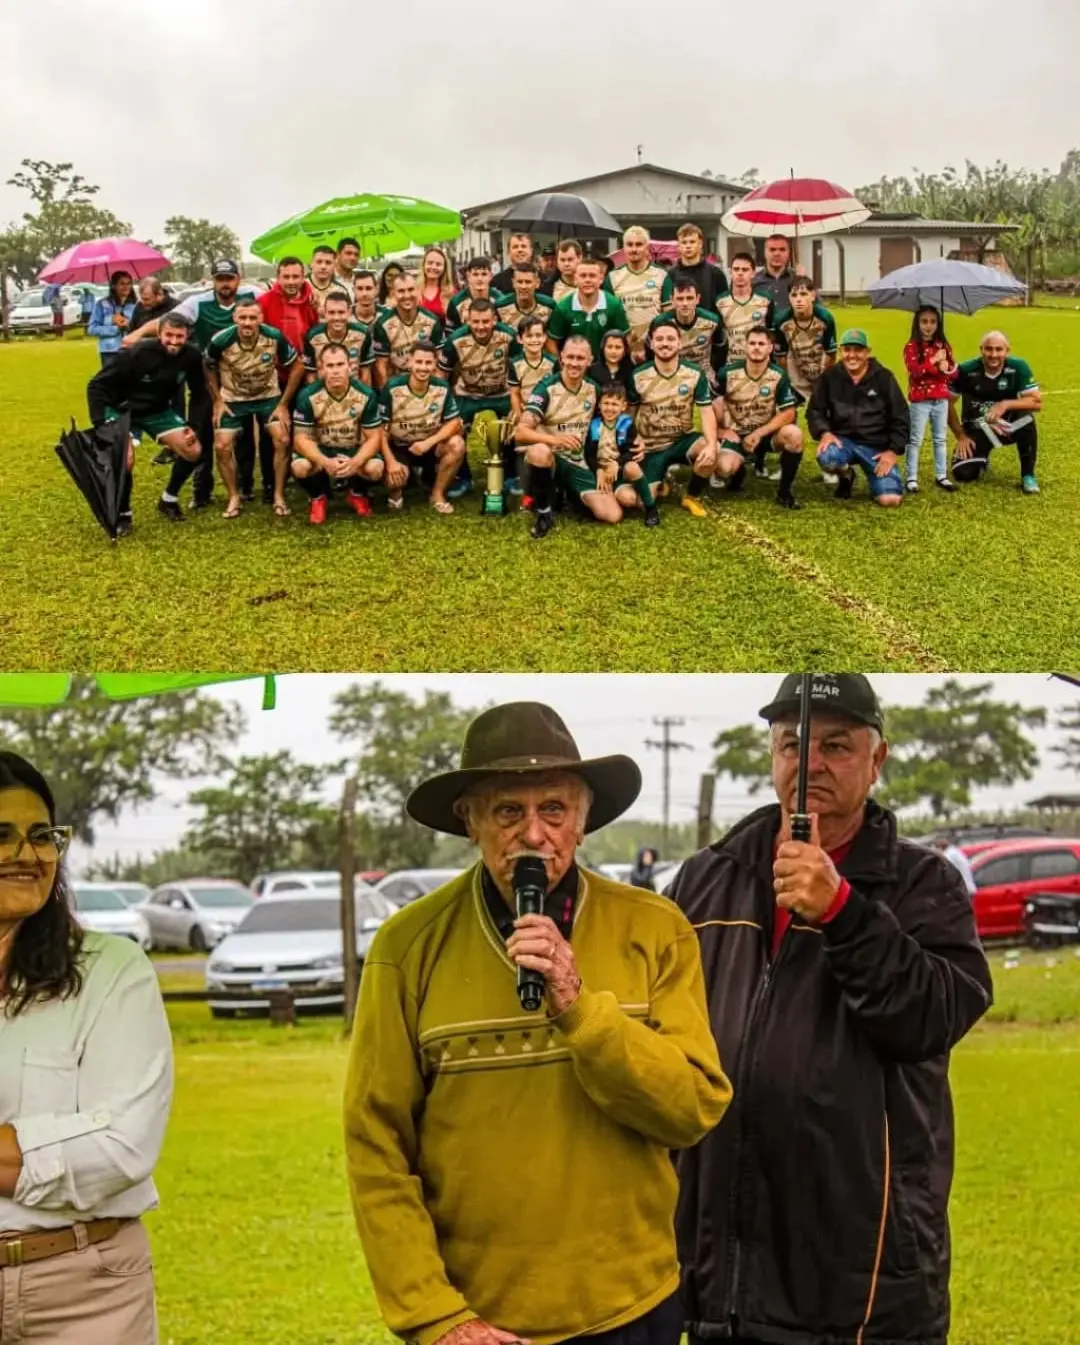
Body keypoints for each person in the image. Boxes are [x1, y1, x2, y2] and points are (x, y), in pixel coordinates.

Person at [344, 701, 731, 1345]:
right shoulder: (406, 947)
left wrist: (579, 1009)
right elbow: (376, 1146)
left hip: (632, 1308)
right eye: (507, 811)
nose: (532, 834)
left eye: (553, 809)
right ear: (470, 821)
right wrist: (438, 1317)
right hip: (477, 1321)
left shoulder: (655, 929)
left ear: (582, 821)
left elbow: (691, 1109)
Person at [672, 673, 992, 1345]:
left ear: (878, 760)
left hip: (862, 1285)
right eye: (793, 743)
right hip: (718, 1280)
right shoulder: (706, 878)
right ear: (772, 755)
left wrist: (844, 912)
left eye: (837, 745)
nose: (810, 762)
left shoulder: (924, 885)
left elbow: (930, 1016)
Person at [0, 751, 174, 1345]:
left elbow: (123, 1147)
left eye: (41, 835)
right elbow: (87, 1143)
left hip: (87, 1291)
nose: (27, 854)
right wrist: (54, 1135)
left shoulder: (111, 971)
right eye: (1, 834)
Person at [124, 258, 260, 509]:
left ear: (238, 279)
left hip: (242, 378)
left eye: (229, 278)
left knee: (243, 433)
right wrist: (139, 332)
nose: (225, 284)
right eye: (220, 279)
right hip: (206, 378)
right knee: (202, 431)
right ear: (213, 281)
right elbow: (168, 320)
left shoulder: (254, 294)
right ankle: (202, 490)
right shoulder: (198, 302)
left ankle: (246, 486)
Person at [86, 312, 209, 530]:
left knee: (194, 450)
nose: (173, 341)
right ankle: (124, 513)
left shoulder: (191, 356)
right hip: (121, 409)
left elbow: (199, 392)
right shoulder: (137, 353)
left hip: (157, 411)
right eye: (168, 335)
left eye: (179, 336)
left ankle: (168, 499)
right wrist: (100, 423)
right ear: (159, 333)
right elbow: (96, 386)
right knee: (125, 459)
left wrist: (194, 425)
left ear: (187, 335)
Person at [204, 296, 304, 520]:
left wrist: (284, 404)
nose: (247, 322)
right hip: (233, 398)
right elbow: (207, 366)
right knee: (221, 446)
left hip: (268, 396)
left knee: (282, 439)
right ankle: (234, 496)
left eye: (252, 317)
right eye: (242, 317)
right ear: (234, 318)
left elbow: (297, 366)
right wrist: (217, 401)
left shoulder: (274, 336)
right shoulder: (221, 340)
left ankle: (278, 494)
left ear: (260, 317)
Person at [626, 318, 718, 520]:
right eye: (659, 339)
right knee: (642, 502)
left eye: (670, 339)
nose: (665, 343)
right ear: (651, 343)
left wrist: (712, 444)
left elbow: (706, 411)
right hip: (651, 447)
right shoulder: (639, 375)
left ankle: (692, 496)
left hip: (681, 441)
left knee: (711, 451)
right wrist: (633, 441)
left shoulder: (694, 374)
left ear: (679, 342)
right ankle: (660, 481)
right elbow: (628, 416)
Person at [291, 342, 390, 525]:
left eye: (340, 365)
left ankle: (357, 494)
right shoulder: (307, 395)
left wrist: (356, 462)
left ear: (350, 366)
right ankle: (318, 497)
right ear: (321, 368)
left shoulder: (366, 394)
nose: (335, 371)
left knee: (375, 469)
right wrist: (324, 461)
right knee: (300, 467)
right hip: (323, 449)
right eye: (330, 365)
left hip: (353, 448)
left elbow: (374, 437)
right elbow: (300, 439)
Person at [809, 328, 909, 507]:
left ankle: (882, 483)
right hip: (843, 441)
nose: (852, 356)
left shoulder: (884, 377)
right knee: (828, 458)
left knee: (890, 500)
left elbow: (900, 416)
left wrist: (893, 451)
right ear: (841, 351)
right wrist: (824, 432)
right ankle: (846, 474)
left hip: (875, 446)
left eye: (858, 350)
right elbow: (815, 410)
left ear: (867, 352)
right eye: (847, 350)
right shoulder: (830, 377)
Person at [710, 326, 803, 508]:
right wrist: (721, 430)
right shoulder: (726, 373)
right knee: (723, 469)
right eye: (752, 343)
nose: (756, 347)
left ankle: (784, 492)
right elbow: (709, 406)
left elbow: (789, 412)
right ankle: (739, 471)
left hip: (764, 433)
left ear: (770, 348)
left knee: (794, 434)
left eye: (762, 344)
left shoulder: (779, 375)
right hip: (736, 433)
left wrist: (760, 433)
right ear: (745, 346)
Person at [947, 330, 1043, 495]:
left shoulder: (1018, 367)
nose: (993, 354)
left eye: (999, 349)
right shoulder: (966, 370)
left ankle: (1028, 475)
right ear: (981, 349)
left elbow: (1036, 402)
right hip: (978, 428)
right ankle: (982, 460)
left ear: (1007, 350)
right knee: (963, 473)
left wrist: (1005, 404)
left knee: (1026, 419)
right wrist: (960, 436)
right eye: (988, 349)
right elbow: (947, 404)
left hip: (1006, 427)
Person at [379, 340, 466, 514]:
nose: (423, 367)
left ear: (435, 364)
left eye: (428, 363)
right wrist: (390, 462)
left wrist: (429, 442)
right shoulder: (392, 388)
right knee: (394, 480)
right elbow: (380, 431)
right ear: (409, 362)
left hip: (428, 446)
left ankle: (437, 494)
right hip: (400, 447)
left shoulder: (441, 387)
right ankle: (397, 491)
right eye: (419, 362)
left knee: (457, 444)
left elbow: (454, 422)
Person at [902, 305, 957, 493]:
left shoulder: (943, 346)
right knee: (915, 439)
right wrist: (932, 361)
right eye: (924, 321)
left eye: (933, 322)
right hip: (920, 401)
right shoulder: (911, 347)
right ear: (917, 323)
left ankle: (941, 475)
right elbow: (915, 372)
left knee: (940, 439)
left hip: (940, 399)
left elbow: (953, 373)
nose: (928, 326)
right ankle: (911, 477)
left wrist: (946, 365)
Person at [586, 380, 656, 526]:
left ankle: (651, 508)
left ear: (623, 406)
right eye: (606, 403)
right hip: (603, 473)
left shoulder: (626, 424)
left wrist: (617, 464)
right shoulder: (594, 425)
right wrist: (598, 470)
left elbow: (631, 452)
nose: (610, 408)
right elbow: (589, 454)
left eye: (614, 404)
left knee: (632, 469)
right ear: (599, 404)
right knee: (626, 499)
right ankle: (639, 492)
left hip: (620, 470)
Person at [506, 314, 558, 493]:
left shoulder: (552, 363)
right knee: (519, 437)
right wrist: (520, 418)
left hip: (547, 411)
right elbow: (514, 393)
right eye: (529, 336)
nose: (534, 340)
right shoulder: (515, 363)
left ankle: (550, 481)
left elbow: (556, 392)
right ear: (520, 339)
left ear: (544, 337)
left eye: (538, 335)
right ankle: (522, 482)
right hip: (525, 409)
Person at [546, 256, 631, 359]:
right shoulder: (563, 307)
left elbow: (627, 338)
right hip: (574, 366)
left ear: (601, 279)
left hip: (604, 368)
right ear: (575, 279)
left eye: (592, 276)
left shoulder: (614, 305)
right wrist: (561, 365)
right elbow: (551, 342)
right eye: (583, 276)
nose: (588, 280)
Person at [770, 276, 837, 403]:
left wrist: (824, 379)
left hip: (820, 364)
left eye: (803, 294)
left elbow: (831, 353)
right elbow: (781, 357)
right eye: (794, 295)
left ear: (813, 296)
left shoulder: (825, 318)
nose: (798, 300)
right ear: (789, 298)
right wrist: (786, 382)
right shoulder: (781, 321)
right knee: (788, 407)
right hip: (796, 366)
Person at [371, 272, 445, 389]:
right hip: (396, 383)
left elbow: (440, 361)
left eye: (411, 289)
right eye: (401, 291)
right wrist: (386, 396)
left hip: (426, 382)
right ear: (393, 294)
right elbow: (381, 365)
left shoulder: (432, 321)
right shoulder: (382, 324)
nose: (407, 295)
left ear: (417, 290)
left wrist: (435, 392)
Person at [607, 226, 668, 362]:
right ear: (624, 248)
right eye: (630, 245)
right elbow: (608, 315)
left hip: (655, 347)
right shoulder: (612, 277)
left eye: (639, 244)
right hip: (621, 349)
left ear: (647, 248)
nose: (634, 249)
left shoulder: (662, 275)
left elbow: (668, 315)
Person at [657, 279, 725, 392]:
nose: (685, 303)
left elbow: (720, 350)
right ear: (671, 300)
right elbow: (652, 353)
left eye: (689, 298)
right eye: (679, 299)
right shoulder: (661, 323)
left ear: (697, 299)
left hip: (704, 373)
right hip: (672, 373)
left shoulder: (712, 321)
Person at [714, 253, 774, 365]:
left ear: (753, 273)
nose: (740, 273)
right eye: (736, 269)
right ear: (731, 272)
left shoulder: (765, 300)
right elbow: (719, 338)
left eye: (745, 270)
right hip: (732, 365)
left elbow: (771, 332)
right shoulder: (720, 301)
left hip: (760, 365)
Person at [303, 291, 375, 383]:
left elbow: (366, 373)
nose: (336, 317)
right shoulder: (312, 336)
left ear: (349, 312)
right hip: (322, 389)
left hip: (354, 390)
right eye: (331, 312)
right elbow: (311, 375)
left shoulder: (362, 334)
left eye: (341, 312)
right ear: (324, 313)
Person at [258, 255, 320, 359]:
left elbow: (316, 334)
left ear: (303, 277)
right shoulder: (263, 302)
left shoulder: (312, 301)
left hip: (305, 365)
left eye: (295, 277)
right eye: (286, 277)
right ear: (278, 278)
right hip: (273, 367)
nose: (291, 282)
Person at [661, 223, 728, 310]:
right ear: (679, 246)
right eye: (684, 242)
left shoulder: (716, 273)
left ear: (700, 244)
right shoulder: (670, 275)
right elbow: (667, 309)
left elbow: (725, 306)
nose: (688, 246)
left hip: (710, 322)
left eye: (692, 242)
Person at [86, 270, 136, 366]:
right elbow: (92, 329)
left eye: (129, 283)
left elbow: (141, 327)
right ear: (113, 286)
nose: (126, 287)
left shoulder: (136, 305)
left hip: (131, 349)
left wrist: (128, 324)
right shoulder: (102, 304)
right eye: (122, 284)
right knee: (111, 380)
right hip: (109, 351)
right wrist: (115, 327)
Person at [495, 261, 555, 332]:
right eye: (520, 282)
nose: (523, 286)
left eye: (528, 282)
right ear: (513, 283)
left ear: (537, 283)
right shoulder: (500, 306)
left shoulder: (549, 306)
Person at [446, 256, 503, 329]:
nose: (480, 279)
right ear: (468, 276)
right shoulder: (456, 302)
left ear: (490, 276)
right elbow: (450, 332)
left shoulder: (500, 300)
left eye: (484, 274)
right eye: (475, 274)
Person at [752, 233, 803, 311]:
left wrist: (802, 282)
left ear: (789, 252)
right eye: (772, 249)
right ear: (765, 252)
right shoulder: (753, 280)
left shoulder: (798, 278)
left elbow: (816, 309)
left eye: (782, 249)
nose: (777, 254)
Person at [588, 329, 636, 396]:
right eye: (609, 347)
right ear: (603, 348)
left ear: (625, 350)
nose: (613, 351)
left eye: (618, 347)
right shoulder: (592, 370)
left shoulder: (632, 371)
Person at [417, 247, 456, 323]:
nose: (433, 267)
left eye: (438, 264)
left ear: (444, 268)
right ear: (423, 265)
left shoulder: (452, 293)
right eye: (430, 263)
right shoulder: (413, 291)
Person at [541, 238, 583, 302]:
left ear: (580, 258)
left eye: (570, 259)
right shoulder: (547, 287)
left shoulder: (591, 283)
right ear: (557, 261)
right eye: (562, 260)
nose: (566, 264)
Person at [308, 244, 342, 317]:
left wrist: (328, 313)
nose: (323, 266)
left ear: (334, 266)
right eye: (319, 262)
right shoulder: (300, 286)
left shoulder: (340, 291)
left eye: (328, 262)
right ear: (311, 264)